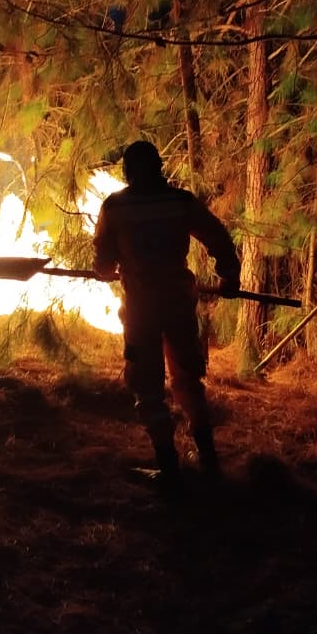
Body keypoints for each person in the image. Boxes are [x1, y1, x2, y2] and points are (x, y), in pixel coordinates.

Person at [92, 140, 241, 491]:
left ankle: (169, 470)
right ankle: (208, 462)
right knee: (188, 381)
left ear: (127, 171)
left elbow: (102, 264)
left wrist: (109, 268)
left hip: (142, 310)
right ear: (159, 167)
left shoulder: (116, 207)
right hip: (179, 305)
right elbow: (217, 235)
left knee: (148, 388)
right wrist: (229, 276)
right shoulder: (180, 201)